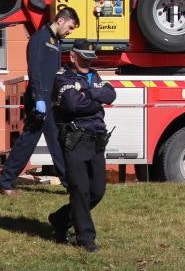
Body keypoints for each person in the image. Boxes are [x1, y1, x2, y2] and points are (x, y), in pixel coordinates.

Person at [0, 7, 80, 196]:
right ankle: (3, 183)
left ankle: (70, 185)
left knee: (57, 141)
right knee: (27, 142)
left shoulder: (56, 41)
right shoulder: (40, 39)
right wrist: (39, 98)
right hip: (38, 99)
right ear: (60, 21)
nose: (70, 32)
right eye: (70, 27)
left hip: (48, 99)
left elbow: (53, 72)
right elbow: (35, 70)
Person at [48, 39, 116, 253]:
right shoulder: (62, 77)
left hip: (96, 137)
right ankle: (86, 238)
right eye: (84, 58)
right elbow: (72, 104)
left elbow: (111, 94)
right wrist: (95, 97)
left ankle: (60, 219)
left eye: (90, 59)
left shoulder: (93, 75)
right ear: (73, 57)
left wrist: (88, 92)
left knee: (97, 191)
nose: (88, 62)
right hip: (75, 139)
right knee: (80, 190)